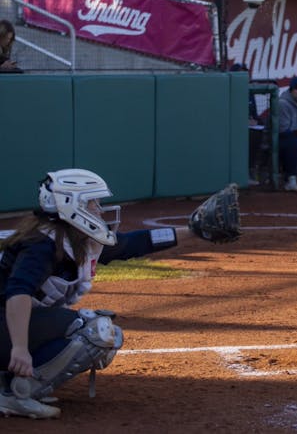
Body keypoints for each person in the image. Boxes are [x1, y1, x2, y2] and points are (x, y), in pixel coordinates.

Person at [0, 169, 184, 419]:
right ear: (70, 204)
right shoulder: (42, 245)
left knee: (104, 332)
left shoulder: (70, 238)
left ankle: (9, 379)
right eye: (92, 202)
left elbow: (134, 243)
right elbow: (18, 293)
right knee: (93, 330)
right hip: (5, 321)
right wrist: (20, 348)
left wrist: (195, 230)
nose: (99, 209)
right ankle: (15, 394)